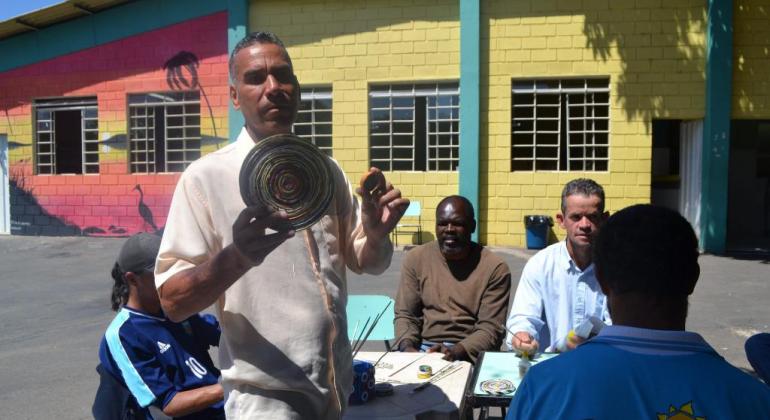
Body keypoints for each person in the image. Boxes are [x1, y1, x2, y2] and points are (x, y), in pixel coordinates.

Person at [154, 32, 409, 419]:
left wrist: (374, 234)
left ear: (298, 89)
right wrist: (238, 256)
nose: (273, 88)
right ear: (235, 97)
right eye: (256, 77)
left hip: (335, 388)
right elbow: (172, 302)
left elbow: (366, 262)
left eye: (283, 75)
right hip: (267, 402)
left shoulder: (327, 171)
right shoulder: (205, 179)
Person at [506, 205, 770, 419]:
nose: (584, 224)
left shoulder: (543, 387)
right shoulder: (754, 400)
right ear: (693, 278)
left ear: (602, 279)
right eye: (576, 216)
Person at [98, 233, 224, 420]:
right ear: (132, 280)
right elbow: (169, 404)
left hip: (223, 406)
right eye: (160, 273)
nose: (171, 278)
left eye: (173, 270)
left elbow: (223, 334)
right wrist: (231, 384)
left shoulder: (175, 309)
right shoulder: (124, 335)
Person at [394, 195, 511, 363]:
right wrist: (407, 348)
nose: (449, 229)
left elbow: (490, 329)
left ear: (472, 227)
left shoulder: (495, 268)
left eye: (458, 223)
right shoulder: (416, 259)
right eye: (442, 223)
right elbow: (406, 315)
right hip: (423, 349)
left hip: (469, 353)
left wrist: (455, 352)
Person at [506, 178, 610, 353]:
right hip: (551, 365)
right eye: (576, 217)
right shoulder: (540, 265)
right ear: (561, 220)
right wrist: (522, 336)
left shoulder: (617, 267)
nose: (584, 225)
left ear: (605, 219)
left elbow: (621, 328)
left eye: (592, 217)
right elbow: (523, 318)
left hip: (600, 363)